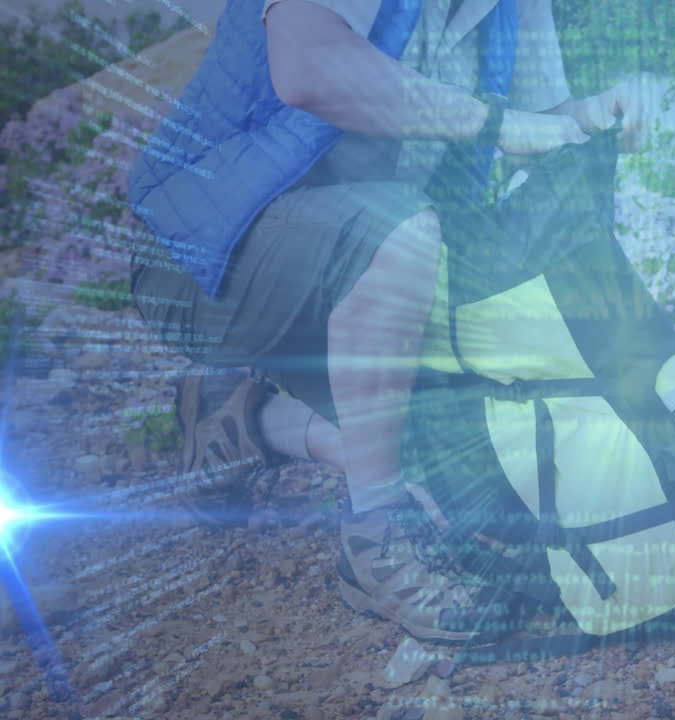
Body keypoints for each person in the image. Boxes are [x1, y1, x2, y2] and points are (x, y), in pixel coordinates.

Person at [127, 0, 647, 641]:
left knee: (458, 481)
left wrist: (583, 118)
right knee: (396, 233)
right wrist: (496, 123)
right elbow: (309, 68)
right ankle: (376, 547)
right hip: (198, 260)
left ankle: (241, 417)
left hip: (346, 274)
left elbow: (533, 127)